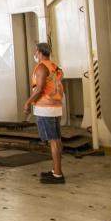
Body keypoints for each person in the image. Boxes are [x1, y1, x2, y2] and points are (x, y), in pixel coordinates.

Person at [23, 42, 65, 184]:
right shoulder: (55, 67)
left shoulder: (41, 67)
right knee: (57, 139)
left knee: (52, 140)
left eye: (36, 52)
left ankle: (58, 174)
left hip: (45, 108)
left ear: (39, 52)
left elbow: (39, 88)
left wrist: (28, 102)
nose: (35, 54)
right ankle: (56, 170)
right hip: (56, 106)